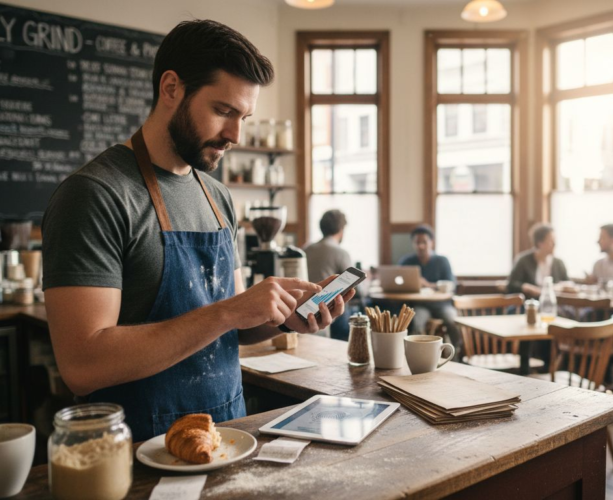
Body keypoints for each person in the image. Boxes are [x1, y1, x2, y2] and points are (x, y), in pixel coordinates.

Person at [41, 20, 353, 442]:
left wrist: (283, 319)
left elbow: (232, 330)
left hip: (227, 439)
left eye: (243, 117)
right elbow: (82, 366)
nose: (235, 135)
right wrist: (228, 310)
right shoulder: (95, 195)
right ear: (171, 88)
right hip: (137, 452)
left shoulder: (217, 197)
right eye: (223, 111)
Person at [397, 225, 459, 346]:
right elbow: (399, 282)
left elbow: (451, 284)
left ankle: (457, 351)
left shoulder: (442, 261)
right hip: (420, 305)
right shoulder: (406, 261)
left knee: (452, 320)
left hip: (442, 305)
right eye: (417, 242)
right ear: (413, 244)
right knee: (416, 322)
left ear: (432, 242)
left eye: (424, 242)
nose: (421, 246)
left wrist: (428, 285)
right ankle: (419, 352)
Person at [305, 210, 353, 340]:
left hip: (305, 308)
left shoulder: (305, 249)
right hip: (330, 313)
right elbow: (357, 290)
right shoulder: (340, 253)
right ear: (341, 230)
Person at [507, 223, 568, 297]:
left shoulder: (559, 263)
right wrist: (528, 288)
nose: (554, 244)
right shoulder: (523, 261)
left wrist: (560, 287)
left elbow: (567, 283)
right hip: (529, 303)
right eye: (551, 241)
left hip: (555, 303)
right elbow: (511, 285)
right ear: (540, 243)